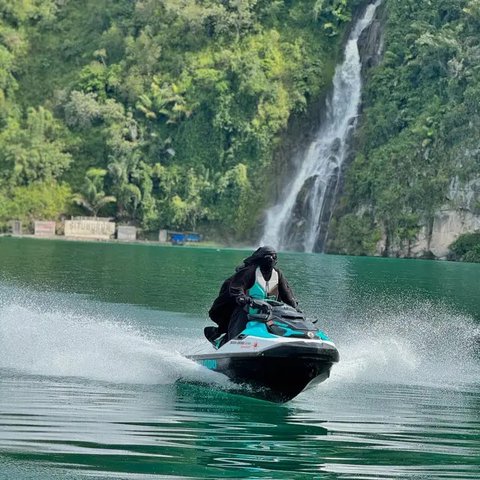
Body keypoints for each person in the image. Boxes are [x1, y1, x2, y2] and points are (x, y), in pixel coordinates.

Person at [208, 246, 298, 343]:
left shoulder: (278, 274)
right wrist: (243, 298)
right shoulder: (249, 272)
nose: (270, 259)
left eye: (273, 256)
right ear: (260, 258)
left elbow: (287, 295)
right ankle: (223, 340)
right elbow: (236, 289)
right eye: (268, 257)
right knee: (236, 337)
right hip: (246, 311)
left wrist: (295, 309)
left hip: (271, 313)